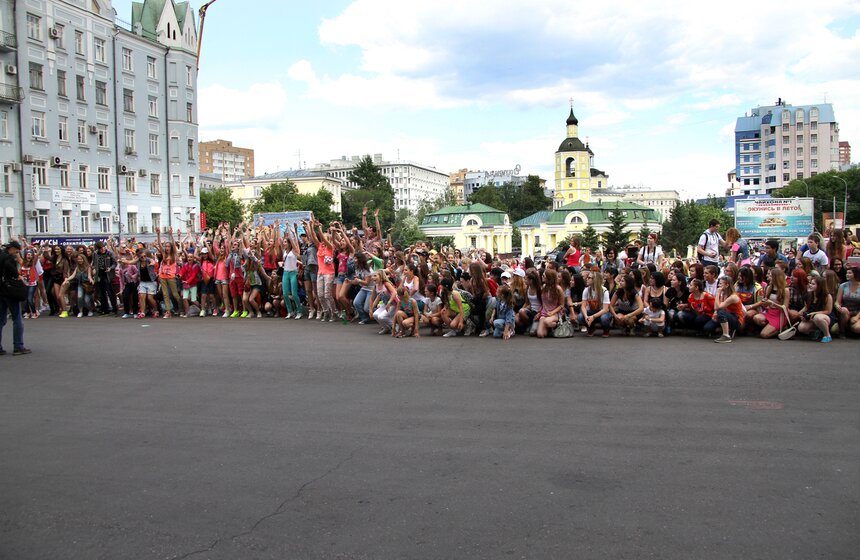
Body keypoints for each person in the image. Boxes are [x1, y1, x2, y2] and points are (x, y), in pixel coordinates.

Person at [0, 241, 30, 355]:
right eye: (16, 251)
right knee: (17, 318)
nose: (16, 253)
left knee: (1, 319)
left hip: (1, 290)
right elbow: (10, 268)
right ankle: (18, 346)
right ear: (11, 248)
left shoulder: (1, 254)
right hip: (9, 290)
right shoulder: (8, 258)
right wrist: (17, 275)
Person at [752, 267, 790, 339]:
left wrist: (772, 303)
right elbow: (766, 302)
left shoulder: (785, 290)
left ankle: (781, 329)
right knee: (756, 318)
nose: (768, 277)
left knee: (764, 335)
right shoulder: (769, 287)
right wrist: (764, 302)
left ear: (776, 277)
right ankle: (771, 327)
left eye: (770, 276)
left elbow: (785, 308)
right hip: (769, 311)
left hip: (779, 314)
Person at [706, 276, 744, 343]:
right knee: (708, 327)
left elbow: (717, 307)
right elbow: (717, 306)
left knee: (720, 311)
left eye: (721, 283)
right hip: (727, 315)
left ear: (727, 285)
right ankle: (727, 329)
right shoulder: (723, 294)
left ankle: (726, 335)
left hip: (736, 319)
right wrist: (715, 313)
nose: (719, 285)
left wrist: (717, 293)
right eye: (719, 283)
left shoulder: (733, 297)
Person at [797, 275, 833, 342]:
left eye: (813, 284)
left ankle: (827, 335)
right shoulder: (810, 294)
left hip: (825, 317)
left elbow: (828, 311)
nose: (810, 285)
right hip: (812, 317)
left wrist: (815, 313)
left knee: (817, 317)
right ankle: (817, 332)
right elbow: (806, 307)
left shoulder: (827, 296)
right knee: (801, 328)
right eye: (810, 283)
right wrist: (799, 314)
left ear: (820, 286)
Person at [578, 270, 611, 337]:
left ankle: (606, 329)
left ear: (595, 280)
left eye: (589, 278)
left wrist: (593, 317)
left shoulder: (604, 291)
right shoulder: (586, 290)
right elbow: (583, 306)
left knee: (604, 318)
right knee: (580, 317)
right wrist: (586, 316)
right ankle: (591, 327)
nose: (587, 279)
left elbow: (605, 309)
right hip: (592, 311)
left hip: (602, 312)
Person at [834, 266, 860, 337]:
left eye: (849, 273)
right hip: (845, 311)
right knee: (844, 310)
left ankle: (850, 328)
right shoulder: (843, 285)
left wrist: (856, 317)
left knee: (857, 328)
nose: (847, 275)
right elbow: (837, 301)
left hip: (858, 312)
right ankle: (842, 331)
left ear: (856, 274)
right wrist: (837, 305)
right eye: (846, 273)